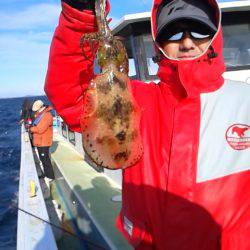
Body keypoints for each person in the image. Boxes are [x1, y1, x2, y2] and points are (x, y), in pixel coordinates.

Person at [44, 0, 250, 249]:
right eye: (173, 33)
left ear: (215, 35)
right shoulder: (135, 98)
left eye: (199, 30)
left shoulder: (245, 101)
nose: (187, 42)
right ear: (159, 44)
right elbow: (70, 94)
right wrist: (81, 15)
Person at [30, 100, 55, 181]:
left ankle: (50, 176)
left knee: (45, 160)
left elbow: (40, 129)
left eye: (37, 109)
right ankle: (46, 174)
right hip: (41, 141)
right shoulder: (41, 114)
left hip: (44, 142)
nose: (36, 111)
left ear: (41, 108)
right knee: (42, 159)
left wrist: (30, 129)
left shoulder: (46, 115)